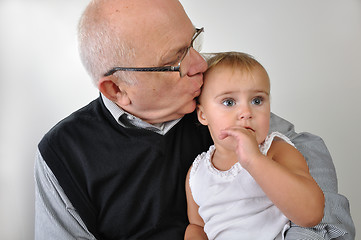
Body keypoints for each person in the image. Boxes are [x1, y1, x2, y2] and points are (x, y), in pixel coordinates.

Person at [34, 0, 355, 239]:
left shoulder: (216, 101)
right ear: (117, 88)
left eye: (194, 40)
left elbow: (303, 151)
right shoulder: (62, 154)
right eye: (175, 60)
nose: (200, 63)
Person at [185, 52, 325, 240]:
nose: (246, 112)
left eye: (257, 100)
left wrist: (254, 160)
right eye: (229, 102)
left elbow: (311, 214)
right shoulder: (197, 172)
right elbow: (197, 226)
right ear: (203, 115)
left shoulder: (275, 150)